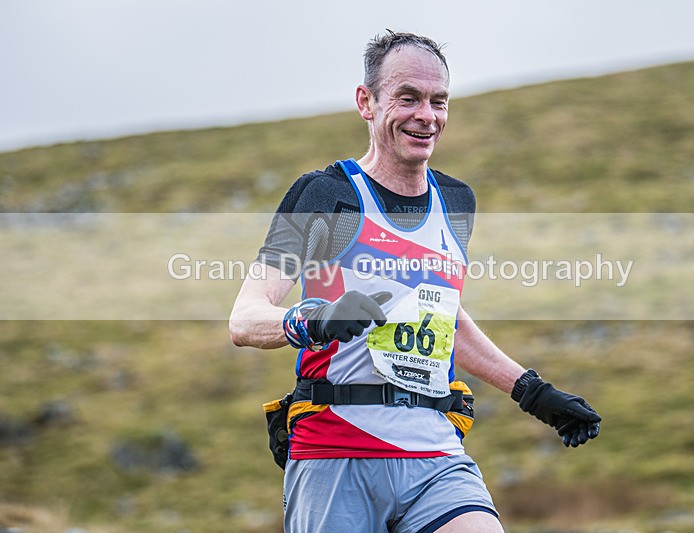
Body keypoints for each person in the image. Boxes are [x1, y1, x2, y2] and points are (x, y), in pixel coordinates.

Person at [230, 30, 601, 533]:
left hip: (434, 450)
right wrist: (314, 320)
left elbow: (444, 314)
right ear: (367, 102)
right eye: (408, 98)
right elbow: (247, 316)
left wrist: (532, 391)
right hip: (336, 449)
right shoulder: (326, 195)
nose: (426, 115)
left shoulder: (456, 202)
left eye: (438, 101)